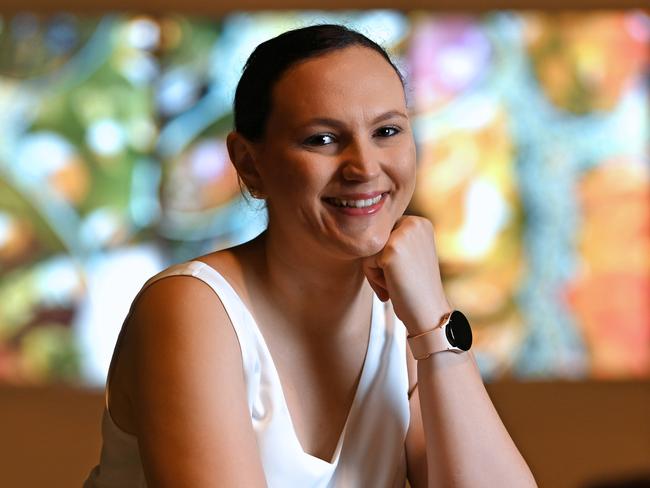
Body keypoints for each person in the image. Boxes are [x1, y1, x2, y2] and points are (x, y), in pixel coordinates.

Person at [83, 24, 537, 487]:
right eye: (322, 139)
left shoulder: (402, 325)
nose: (364, 167)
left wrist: (434, 321)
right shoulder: (190, 307)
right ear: (248, 163)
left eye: (387, 131)